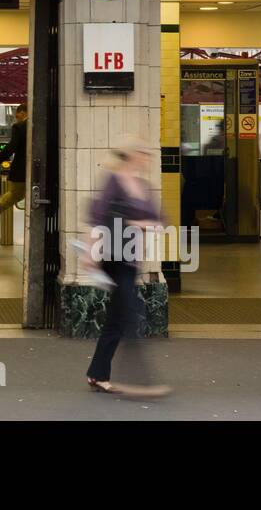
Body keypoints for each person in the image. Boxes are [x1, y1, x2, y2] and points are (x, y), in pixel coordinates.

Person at [83, 135, 170, 398]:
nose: (147, 158)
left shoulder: (143, 186)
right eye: (143, 153)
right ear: (132, 155)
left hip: (131, 258)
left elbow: (159, 222)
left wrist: (138, 225)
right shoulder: (114, 181)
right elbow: (96, 217)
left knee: (118, 317)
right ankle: (139, 378)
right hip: (112, 257)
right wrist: (89, 251)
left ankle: (97, 373)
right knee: (130, 311)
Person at [0, 103, 28, 227]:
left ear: (23, 112)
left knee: (16, 193)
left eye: (17, 115)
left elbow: (10, 148)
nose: (17, 118)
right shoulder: (40, 126)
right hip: (38, 170)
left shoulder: (19, 127)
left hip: (20, 170)